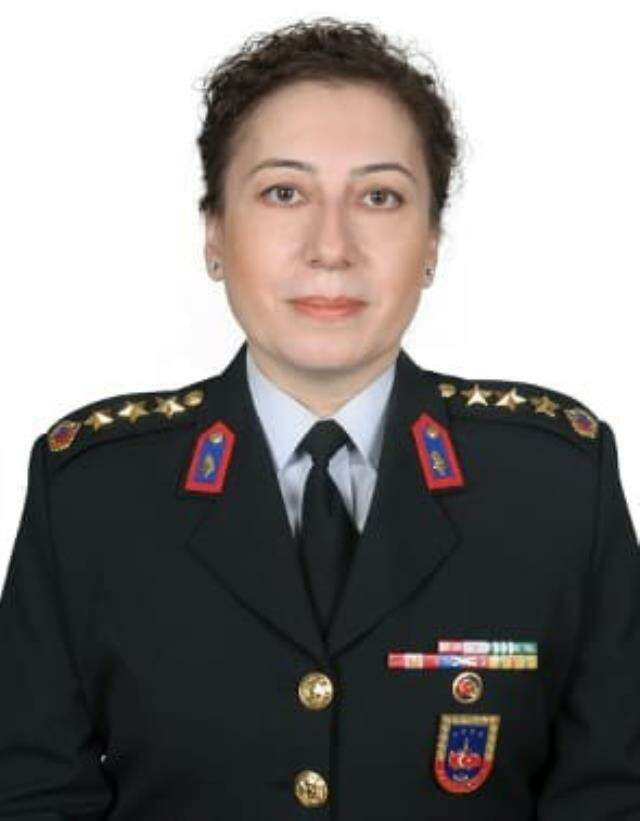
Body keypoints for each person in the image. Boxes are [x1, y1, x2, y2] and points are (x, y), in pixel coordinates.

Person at [1, 16, 638, 821]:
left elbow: (614, 795)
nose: (330, 246)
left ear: (432, 241)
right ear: (214, 232)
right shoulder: (92, 494)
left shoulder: (556, 488)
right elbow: (33, 798)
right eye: (284, 192)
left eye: (379, 196)